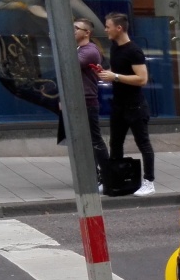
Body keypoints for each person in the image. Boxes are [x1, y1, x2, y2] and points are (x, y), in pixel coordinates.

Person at [97, 12, 155, 196]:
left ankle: (149, 182)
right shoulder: (115, 48)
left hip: (135, 106)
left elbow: (142, 79)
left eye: (108, 26)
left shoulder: (134, 50)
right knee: (115, 143)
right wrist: (107, 74)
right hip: (119, 104)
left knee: (143, 143)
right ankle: (114, 180)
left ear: (119, 28)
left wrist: (115, 76)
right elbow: (118, 73)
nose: (106, 29)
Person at [57, 18, 109, 187]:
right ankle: (93, 176)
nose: (72, 31)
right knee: (81, 141)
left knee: (94, 139)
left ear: (87, 32)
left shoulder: (90, 51)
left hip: (87, 102)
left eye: (76, 28)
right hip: (76, 101)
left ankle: (107, 177)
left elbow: (68, 65)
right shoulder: (79, 49)